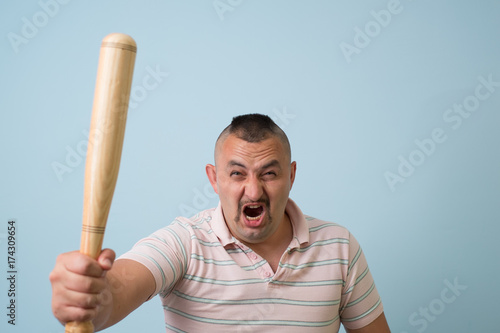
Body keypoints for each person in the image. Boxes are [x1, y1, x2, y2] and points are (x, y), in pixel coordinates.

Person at [50, 114, 390, 332]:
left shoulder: (339, 246)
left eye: (269, 174)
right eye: (237, 174)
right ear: (214, 180)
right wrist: (91, 296)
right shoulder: (184, 242)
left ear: (291, 175)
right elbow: (120, 287)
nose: (253, 190)